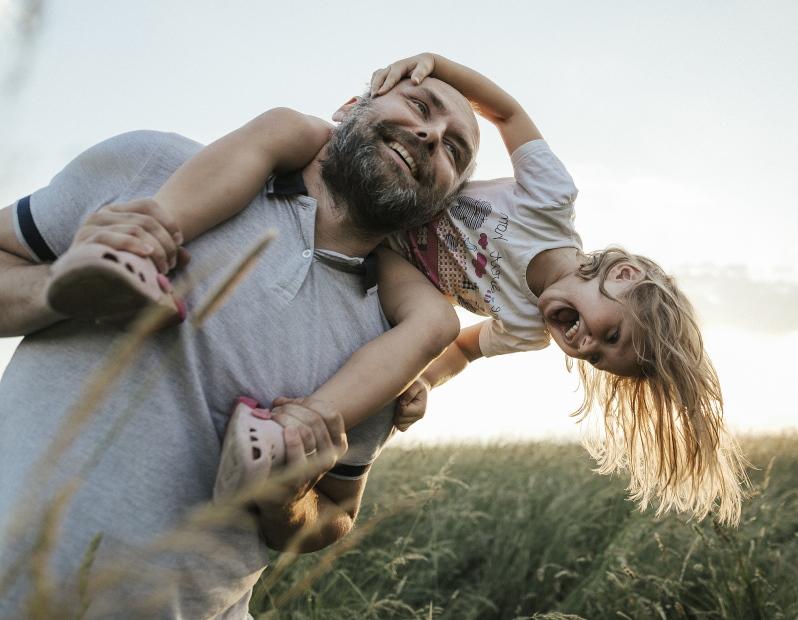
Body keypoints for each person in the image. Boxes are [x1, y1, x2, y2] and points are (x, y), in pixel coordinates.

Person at [48, 52, 747, 528]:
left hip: (394, 249)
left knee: (434, 326)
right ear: (620, 276)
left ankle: (289, 438)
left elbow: (465, 348)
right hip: (389, 203)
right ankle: (143, 240)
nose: (583, 344)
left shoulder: (530, 330)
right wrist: (435, 66)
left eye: (595, 357)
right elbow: (504, 109)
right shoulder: (550, 201)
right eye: (610, 334)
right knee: (290, 125)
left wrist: (421, 384)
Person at [0, 75, 480, 617]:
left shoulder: (394, 344)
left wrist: (288, 499)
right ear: (350, 107)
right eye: (419, 105)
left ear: (439, 203)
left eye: (454, 150)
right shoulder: (153, 167)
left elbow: (336, 513)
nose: (430, 135)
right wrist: (56, 286)